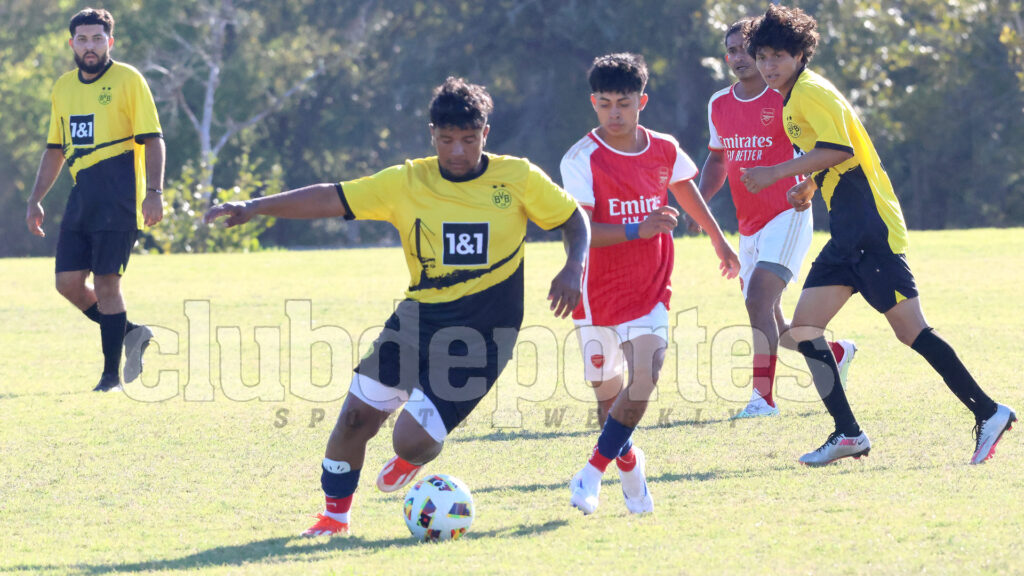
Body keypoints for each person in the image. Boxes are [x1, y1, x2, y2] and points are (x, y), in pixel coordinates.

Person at [205, 77, 590, 536]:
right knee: (353, 420)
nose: (458, 152)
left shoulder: (518, 177)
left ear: (486, 133)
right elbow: (332, 197)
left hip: (484, 336)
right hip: (418, 320)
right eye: (447, 140)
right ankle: (334, 518)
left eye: (469, 140)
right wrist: (254, 206)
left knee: (410, 439)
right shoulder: (406, 181)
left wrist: (574, 267)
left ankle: (410, 458)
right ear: (432, 134)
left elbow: (572, 219)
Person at [741, 5, 1016, 465]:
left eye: (779, 56)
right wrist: (807, 185)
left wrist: (775, 172)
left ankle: (989, 413)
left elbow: (839, 148)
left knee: (912, 333)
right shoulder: (793, 97)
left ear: (800, 54)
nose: (769, 66)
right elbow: (826, 154)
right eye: (763, 56)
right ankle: (848, 433)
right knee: (807, 329)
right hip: (848, 232)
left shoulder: (810, 92)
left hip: (870, 226)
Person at [559, 53, 740, 515]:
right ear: (593, 103)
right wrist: (640, 227)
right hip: (596, 295)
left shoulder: (663, 148)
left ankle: (591, 472)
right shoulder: (581, 159)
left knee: (645, 379)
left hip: (650, 289)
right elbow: (581, 231)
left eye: (623, 103)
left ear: (642, 101)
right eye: (604, 104)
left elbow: (686, 190)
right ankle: (630, 467)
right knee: (610, 405)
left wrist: (720, 241)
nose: (614, 113)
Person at [697, 19, 856, 419]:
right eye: (730, 50)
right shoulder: (719, 103)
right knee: (776, 323)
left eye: (746, 50)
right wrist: (697, 202)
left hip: (787, 213)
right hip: (747, 225)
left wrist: (811, 187)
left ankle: (762, 400)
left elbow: (824, 150)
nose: (738, 57)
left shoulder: (785, 97)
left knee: (757, 300)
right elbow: (718, 158)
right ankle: (835, 352)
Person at [26, 7, 163, 392]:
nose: (90, 46)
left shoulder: (128, 80)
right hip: (81, 199)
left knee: (106, 285)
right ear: (72, 43)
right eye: (83, 39)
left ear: (110, 42)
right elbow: (55, 149)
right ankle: (132, 333)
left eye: (97, 39)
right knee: (67, 283)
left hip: (119, 200)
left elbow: (153, 139)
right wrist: (35, 199)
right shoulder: (63, 87)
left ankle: (110, 377)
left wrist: (154, 193)